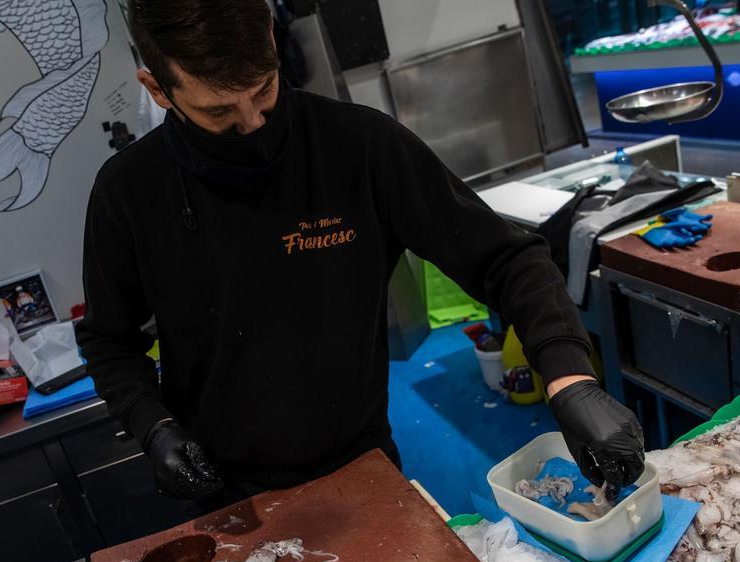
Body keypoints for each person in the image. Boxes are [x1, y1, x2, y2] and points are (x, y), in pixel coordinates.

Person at [76, 0, 645, 509]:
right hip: (223, 485)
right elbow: (109, 341)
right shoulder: (127, 192)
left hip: (362, 462)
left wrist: (570, 378)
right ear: (157, 90)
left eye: (265, 93)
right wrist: (153, 426)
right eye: (219, 114)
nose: (252, 126)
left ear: (273, 44)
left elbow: (506, 259)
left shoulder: (360, 146)